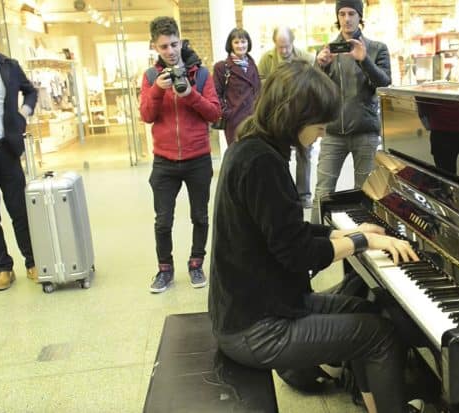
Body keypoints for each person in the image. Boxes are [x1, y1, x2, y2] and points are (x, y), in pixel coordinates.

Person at [208, 60, 423, 413]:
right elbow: (297, 253)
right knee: (378, 336)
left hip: (258, 306)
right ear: (294, 117)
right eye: (319, 124)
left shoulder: (252, 146)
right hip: (256, 328)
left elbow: (285, 228)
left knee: (365, 310)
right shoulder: (262, 162)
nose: (323, 133)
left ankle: (375, 404)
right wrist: (363, 241)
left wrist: (348, 231)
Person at [140, 16, 221, 293]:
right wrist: (156, 91)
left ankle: (196, 265)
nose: (170, 51)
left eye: (174, 44)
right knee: (163, 221)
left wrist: (189, 94)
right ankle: (165, 270)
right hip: (164, 161)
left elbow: (214, 113)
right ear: (155, 47)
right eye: (164, 47)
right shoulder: (151, 77)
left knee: (200, 216)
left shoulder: (201, 74)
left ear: (180, 39)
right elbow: (147, 116)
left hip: (198, 158)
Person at [311, 0, 391, 223]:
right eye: (342, 14)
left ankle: (365, 241)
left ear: (360, 17)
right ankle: (315, 241)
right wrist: (320, 66)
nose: (346, 19)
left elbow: (384, 84)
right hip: (333, 133)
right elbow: (314, 90)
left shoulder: (376, 49)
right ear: (337, 17)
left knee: (365, 193)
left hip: (365, 131)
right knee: (322, 191)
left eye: (352, 13)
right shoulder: (326, 50)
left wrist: (364, 60)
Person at [0, 41, 38, 291]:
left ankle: (32, 261)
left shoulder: (8, 66)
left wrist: (23, 113)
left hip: (7, 149)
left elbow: (30, 91)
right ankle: (3, 268)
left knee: (19, 210)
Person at [258, 26, 315, 209]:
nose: (283, 51)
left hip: (301, 114)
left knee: (304, 153)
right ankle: (282, 194)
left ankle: (303, 194)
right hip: (278, 115)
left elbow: (314, 85)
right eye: (279, 47)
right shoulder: (266, 59)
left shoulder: (306, 58)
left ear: (293, 42)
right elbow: (259, 86)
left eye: (287, 46)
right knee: (278, 154)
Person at [213, 28, 260, 146]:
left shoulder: (252, 65)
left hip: (254, 120)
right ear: (231, 45)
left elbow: (259, 91)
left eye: (243, 41)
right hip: (235, 121)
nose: (240, 45)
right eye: (236, 42)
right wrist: (227, 113)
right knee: (238, 156)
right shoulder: (222, 67)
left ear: (248, 43)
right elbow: (215, 94)